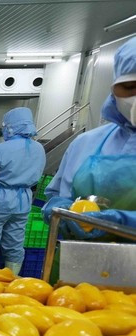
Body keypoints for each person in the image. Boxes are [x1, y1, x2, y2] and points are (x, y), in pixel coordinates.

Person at [43, 36, 136, 238]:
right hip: (77, 262)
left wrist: (123, 223)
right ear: (114, 90)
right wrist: (58, 209)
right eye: (130, 87)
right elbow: (58, 195)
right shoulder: (86, 143)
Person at [0, 107, 46, 274]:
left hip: (0, 198)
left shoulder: (1, 149)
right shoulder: (39, 148)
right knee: (15, 242)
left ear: (11, 127)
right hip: (25, 199)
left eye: (5, 126)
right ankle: (11, 281)